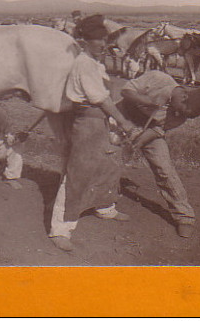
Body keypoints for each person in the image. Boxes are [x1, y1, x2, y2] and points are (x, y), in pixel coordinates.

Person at [48, 14, 137, 252]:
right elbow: (101, 99)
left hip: (102, 122)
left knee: (109, 165)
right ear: (85, 41)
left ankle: (105, 207)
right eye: (97, 40)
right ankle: (61, 228)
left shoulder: (95, 63)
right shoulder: (84, 63)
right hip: (87, 123)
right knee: (78, 172)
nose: (103, 44)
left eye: (104, 39)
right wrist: (124, 122)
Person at [118, 70, 200, 238]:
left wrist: (137, 143)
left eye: (186, 116)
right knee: (104, 156)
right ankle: (99, 202)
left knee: (164, 168)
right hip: (121, 116)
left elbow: (157, 129)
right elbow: (125, 90)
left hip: (147, 130)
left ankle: (184, 216)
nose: (182, 116)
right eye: (185, 111)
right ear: (185, 97)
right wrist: (146, 100)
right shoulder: (160, 78)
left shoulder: (180, 117)